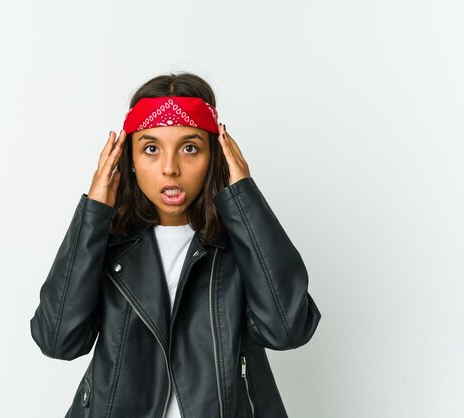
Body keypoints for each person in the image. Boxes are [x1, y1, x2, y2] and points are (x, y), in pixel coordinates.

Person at [30, 72, 321, 418]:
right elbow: (57, 340)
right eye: (151, 149)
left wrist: (244, 197)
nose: (170, 168)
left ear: (214, 157)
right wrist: (93, 215)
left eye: (190, 148)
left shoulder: (242, 245)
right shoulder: (106, 245)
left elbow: (288, 330)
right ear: (131, 163)